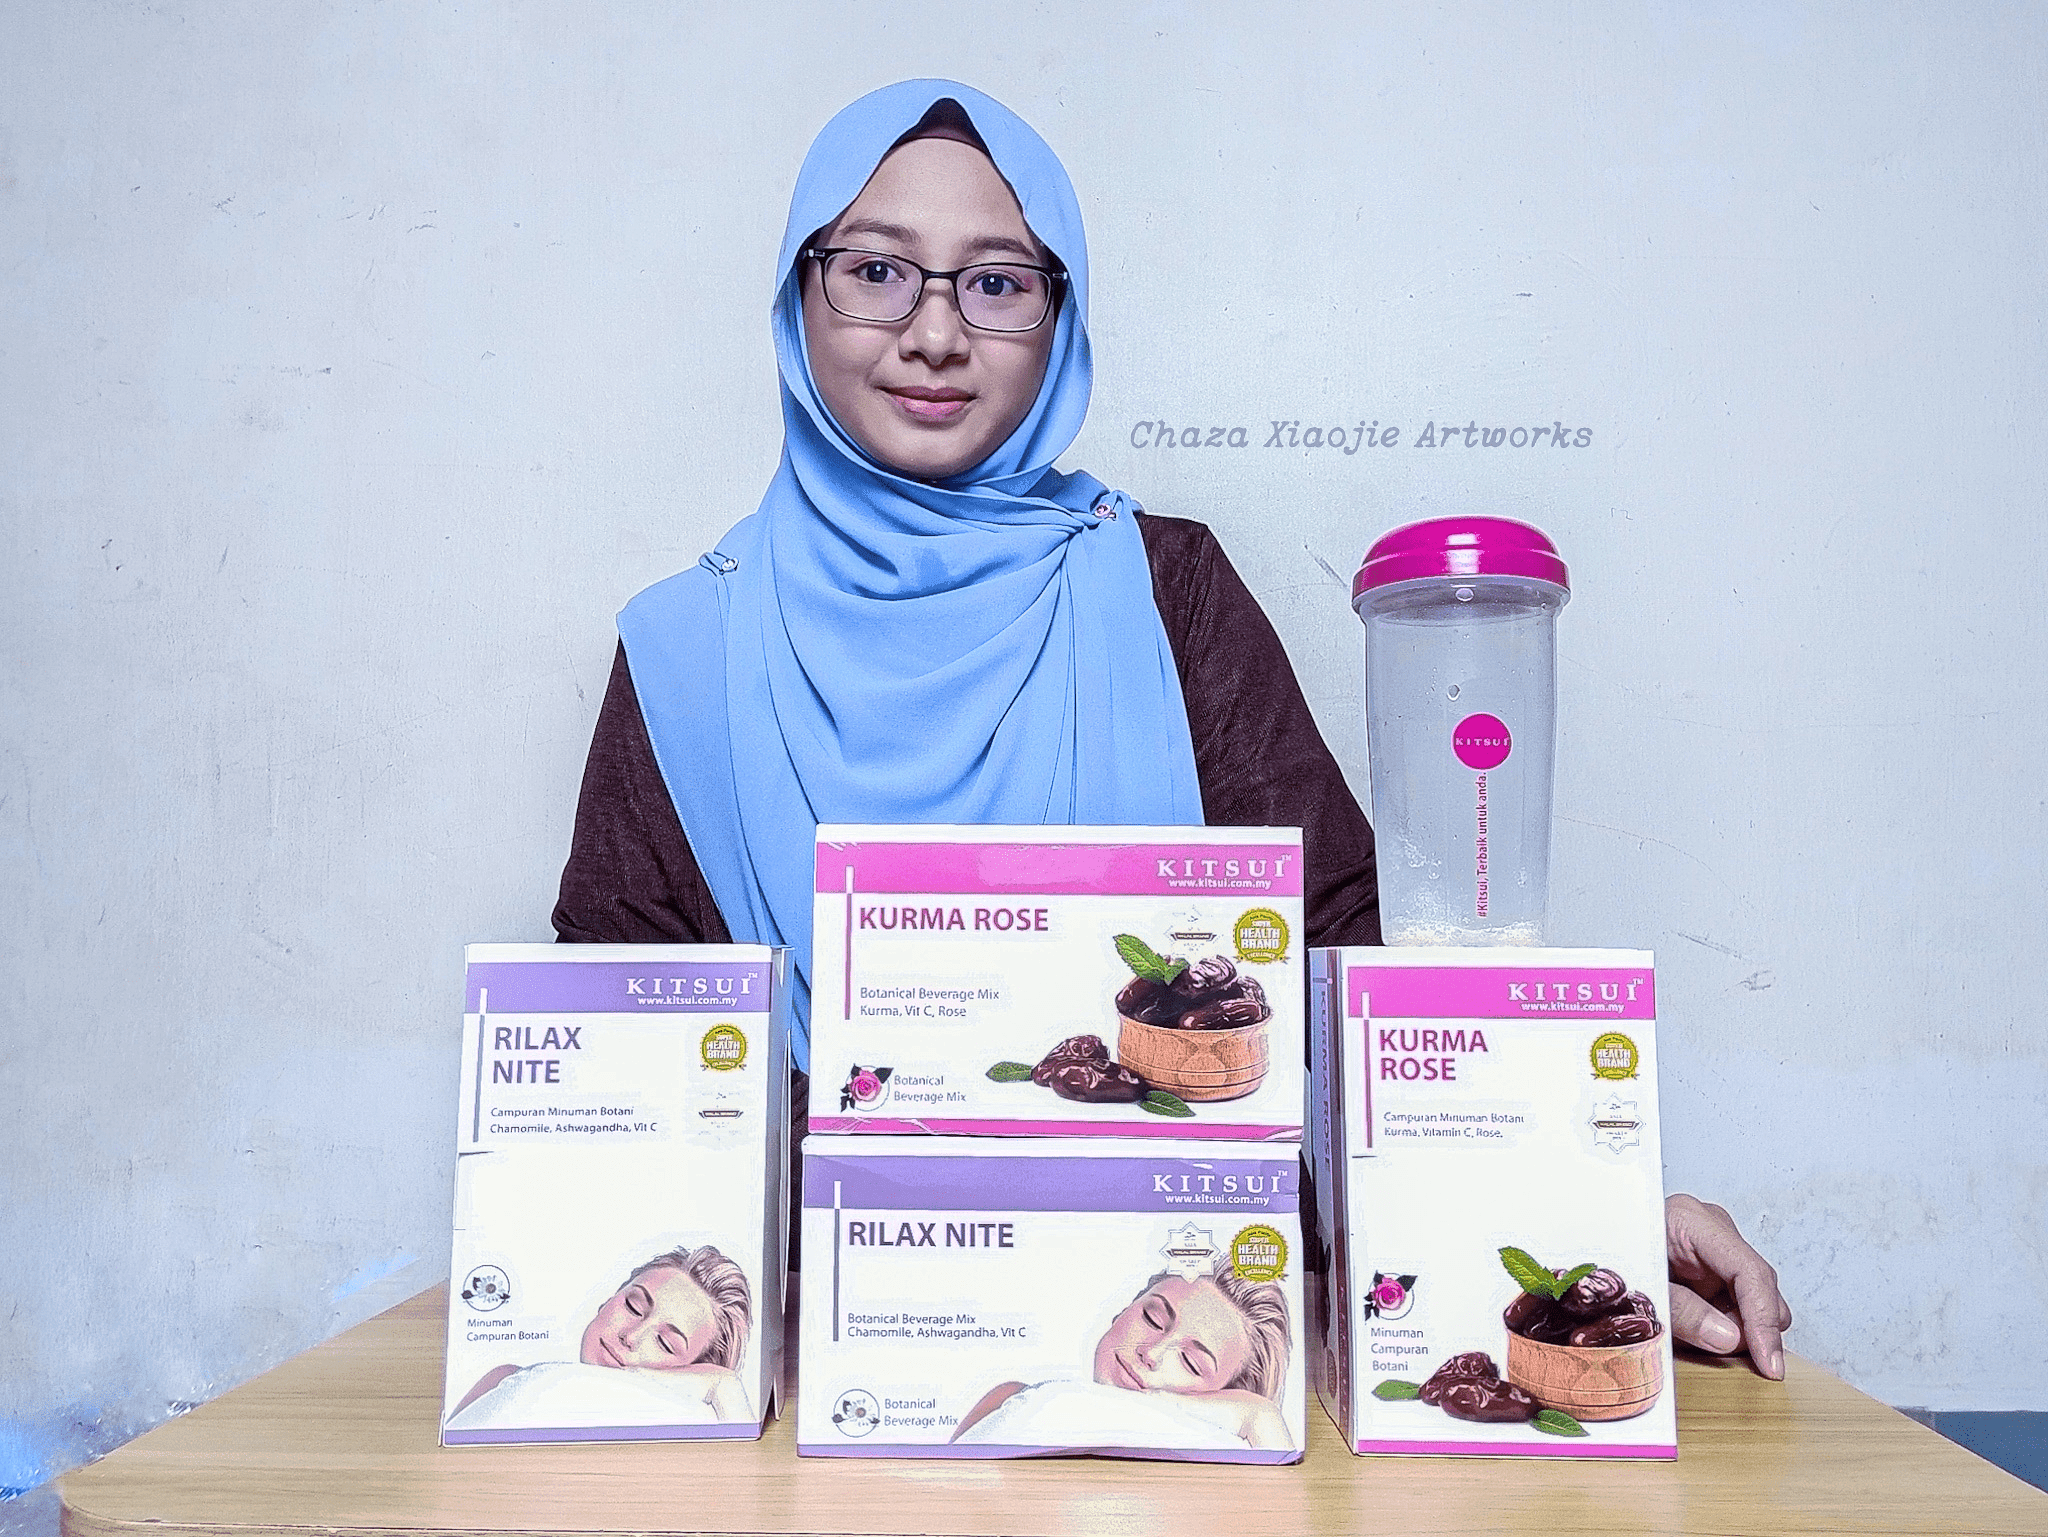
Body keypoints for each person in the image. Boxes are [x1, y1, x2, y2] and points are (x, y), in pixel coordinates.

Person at [550, 79, 1792, 1381]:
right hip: (826, 1377)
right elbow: (611, 1063)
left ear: (1061, 318)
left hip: (1172, 1364)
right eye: (875, 271)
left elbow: (1339, 969)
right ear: (797, 298)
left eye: (997, 282)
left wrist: (1579, 1222)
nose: (934, 334)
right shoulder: (686, 652)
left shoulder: (1163, 590)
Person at [952, 1260, 1294, 1451]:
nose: (1152, 1353)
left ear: (1227, 1399)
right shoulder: (1009, 1399)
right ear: (1123, 1311)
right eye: (1152, 1319)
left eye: (1191, 1363)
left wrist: (1258, 1415)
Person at [450, 1244, 754, 1425]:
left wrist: (724, 1385)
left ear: (694, 1374)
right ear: (608, 1301)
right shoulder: (505, 1380)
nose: (631, 1336)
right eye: (633, 1306)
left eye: (665, 1343)